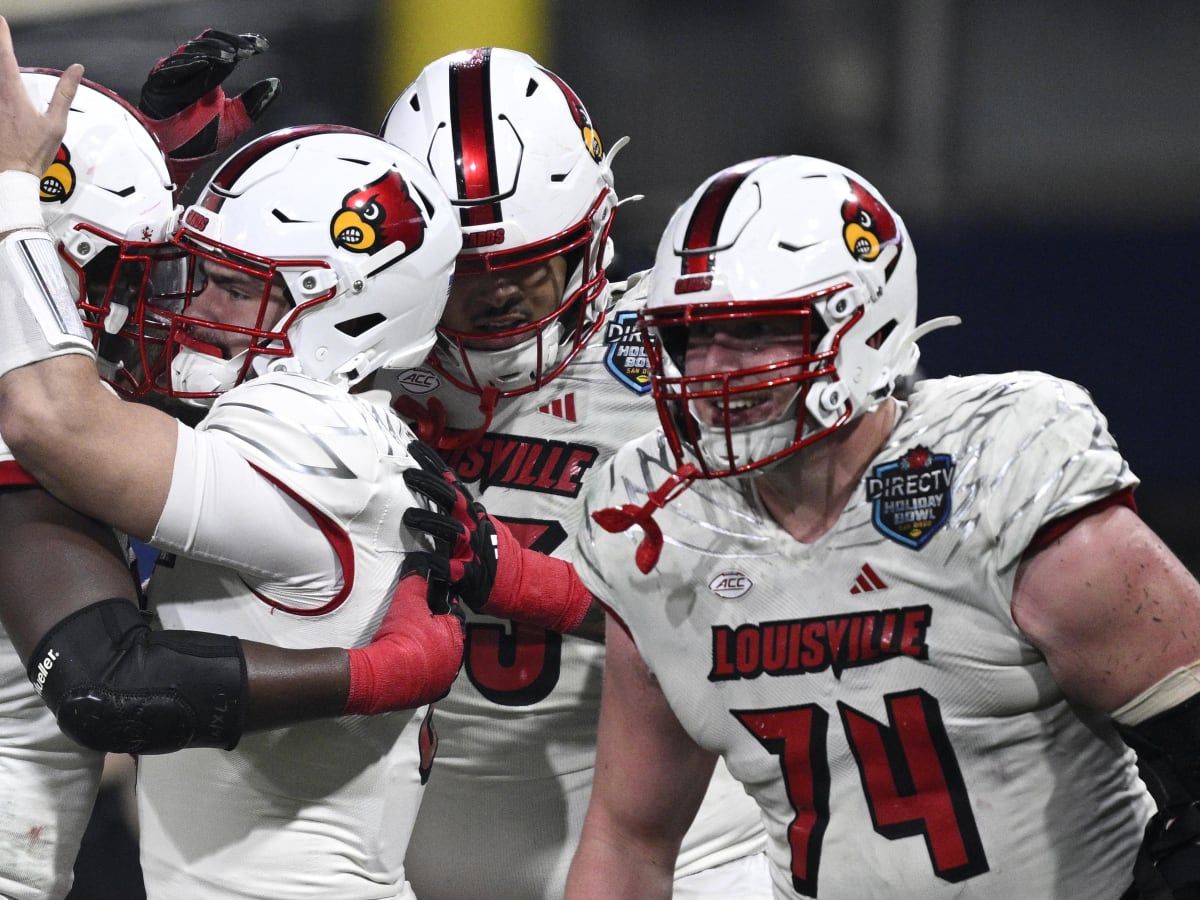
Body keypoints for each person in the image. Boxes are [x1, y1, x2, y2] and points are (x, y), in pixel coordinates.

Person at [558, 154, 1200, 898]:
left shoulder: (996, 476)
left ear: (866, 321)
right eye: (688, 336)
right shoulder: (660, 528)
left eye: (756, 331)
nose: (711, 369)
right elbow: (628, 841)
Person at [0, 28, 476, 897]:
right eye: (127, 273)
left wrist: (127, 162)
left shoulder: (299, 434)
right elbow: (109, 683)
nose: (164, 305)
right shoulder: (47, 417)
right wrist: (377, 673)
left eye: (220, 279)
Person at [380, 47, 769, 899]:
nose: (497, 293)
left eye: (527, 258)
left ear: (594, 233)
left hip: (685, 864)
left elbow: (773, 603)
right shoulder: (359, 366)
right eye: (464, 267)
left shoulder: (683, 360)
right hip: (410, 868)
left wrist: (522, 582)